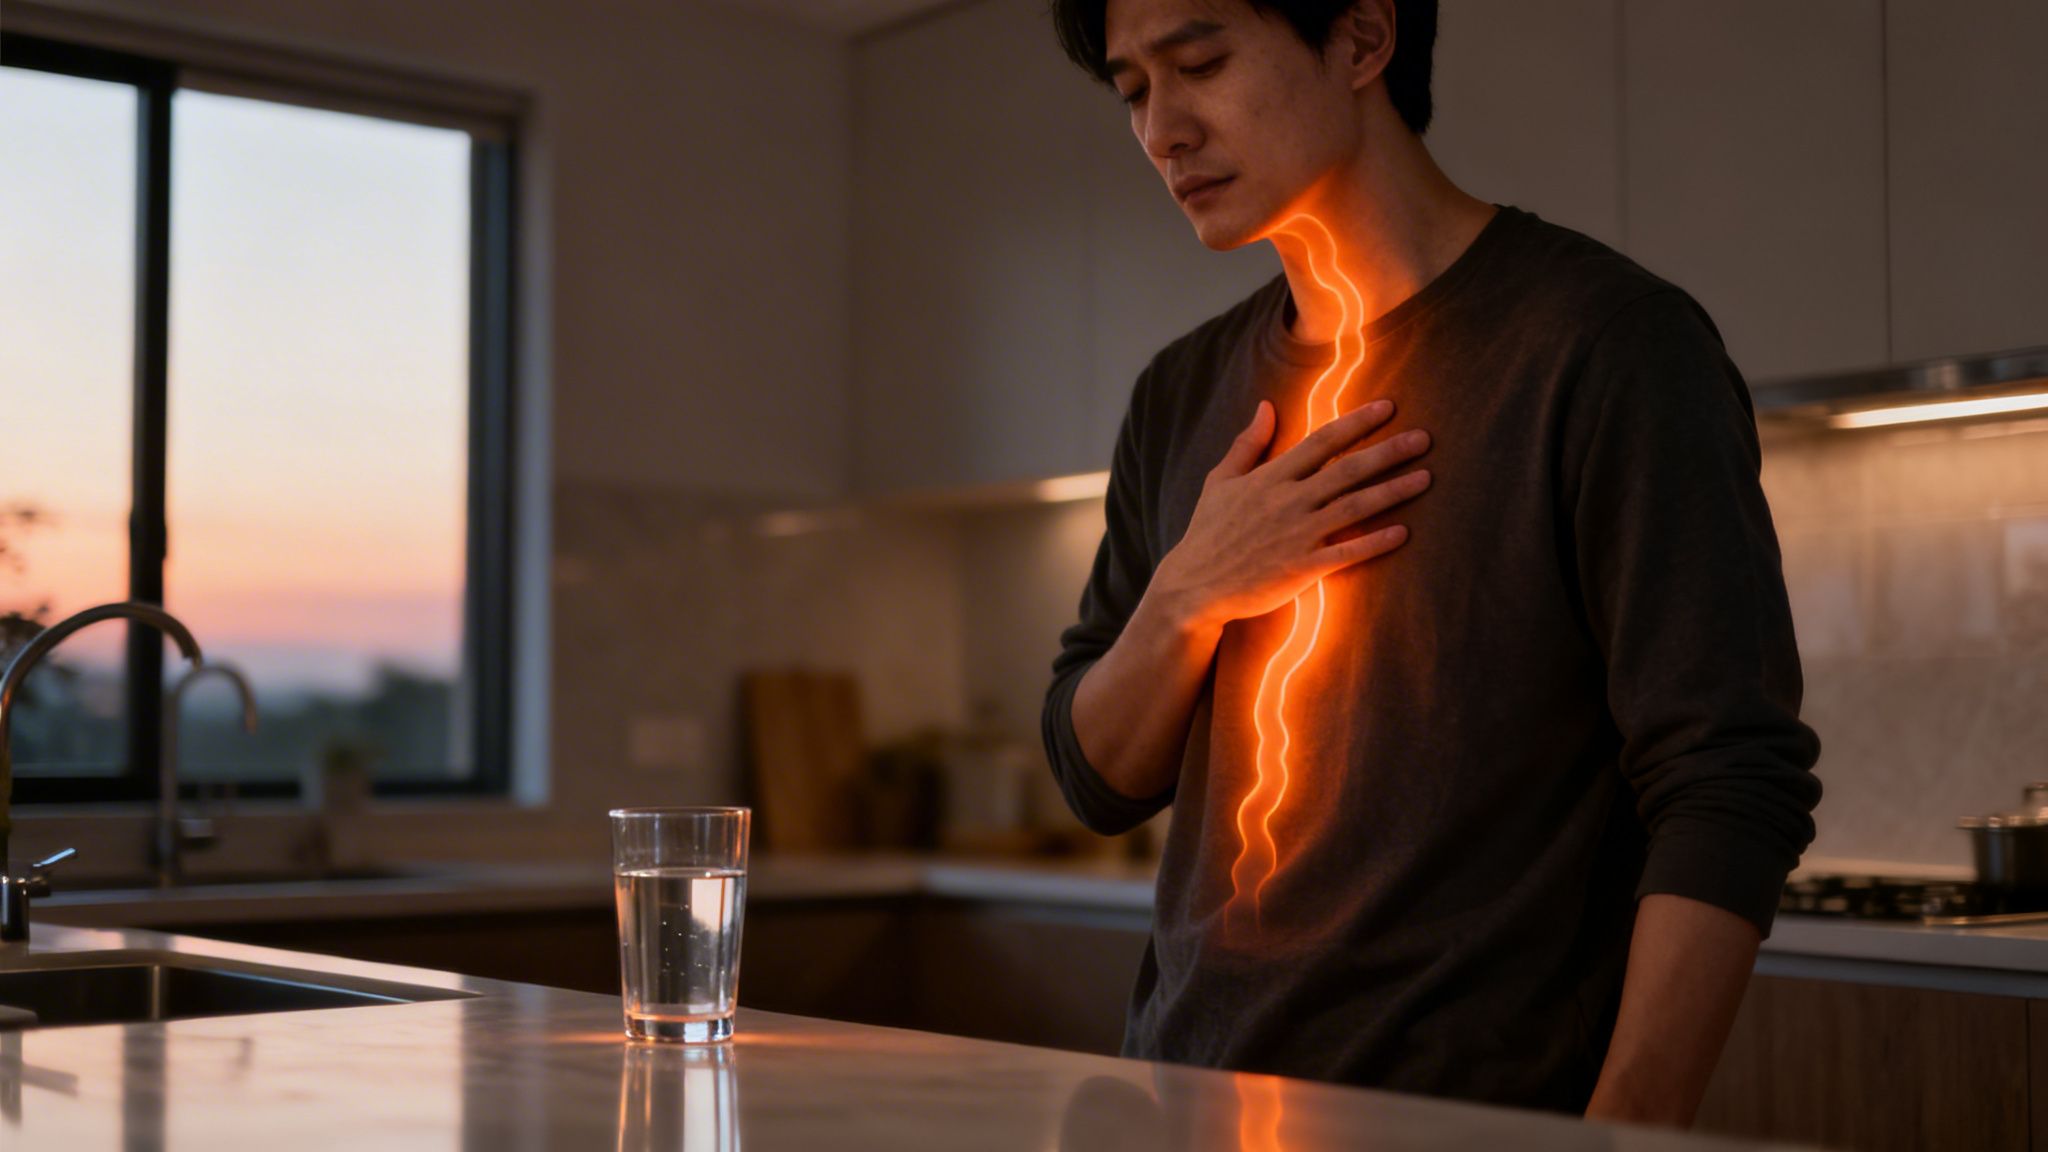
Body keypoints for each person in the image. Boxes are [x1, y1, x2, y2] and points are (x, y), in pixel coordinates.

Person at [1038, 0, 1823, 1125]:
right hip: (1190, 1097)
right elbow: (1094, 777)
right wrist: (1189, 593)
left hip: (1474, 1119)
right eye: (1130, 91)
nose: (1162, 128)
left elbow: (1728, 780)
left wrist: (1621, 1136)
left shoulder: (1605, 345)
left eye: (1198, 64)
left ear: (1361, 38)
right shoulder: (1177, 394)